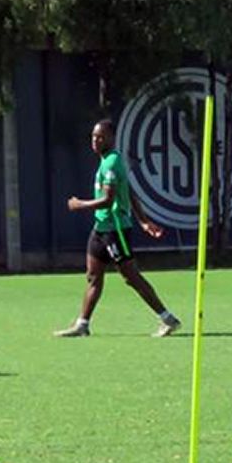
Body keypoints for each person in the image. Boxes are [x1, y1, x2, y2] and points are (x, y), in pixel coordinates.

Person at [54, 118, 181, 338]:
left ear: (111, 138)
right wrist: (143, 220)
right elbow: (129, 192)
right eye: (94, 136)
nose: (95, 141)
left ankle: (168, 319)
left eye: (100, 137)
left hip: (116, 230)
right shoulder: (106, 161)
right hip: (101, 228)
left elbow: (108, 199)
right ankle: (82, 324)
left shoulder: (112, 162)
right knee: (93, 276)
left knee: (131, 277)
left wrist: (79, 204)